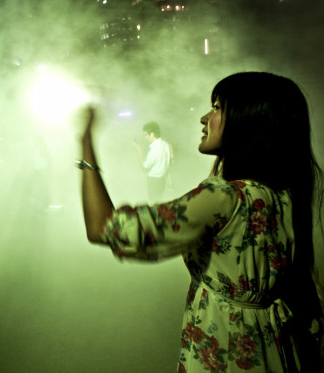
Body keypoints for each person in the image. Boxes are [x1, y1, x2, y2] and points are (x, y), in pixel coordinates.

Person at [79, 72, 323, 372]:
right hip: (279, 353)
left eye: (218, 107)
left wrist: (85, 141)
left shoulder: (222, 197)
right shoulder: (284, 195)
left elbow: (104, 228)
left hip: (228, 354)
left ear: (249, 121)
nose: (205, 118)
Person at [134, 121, 173, 202]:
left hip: (153, 182)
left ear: (152, 134)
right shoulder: (166, 145)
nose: (145, 137)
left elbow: (144, 168)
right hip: (162, 181)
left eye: (146, 135)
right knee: (159, 202)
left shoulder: (154, 150)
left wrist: (139, 153)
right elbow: (168, 165)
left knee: (153, 203)